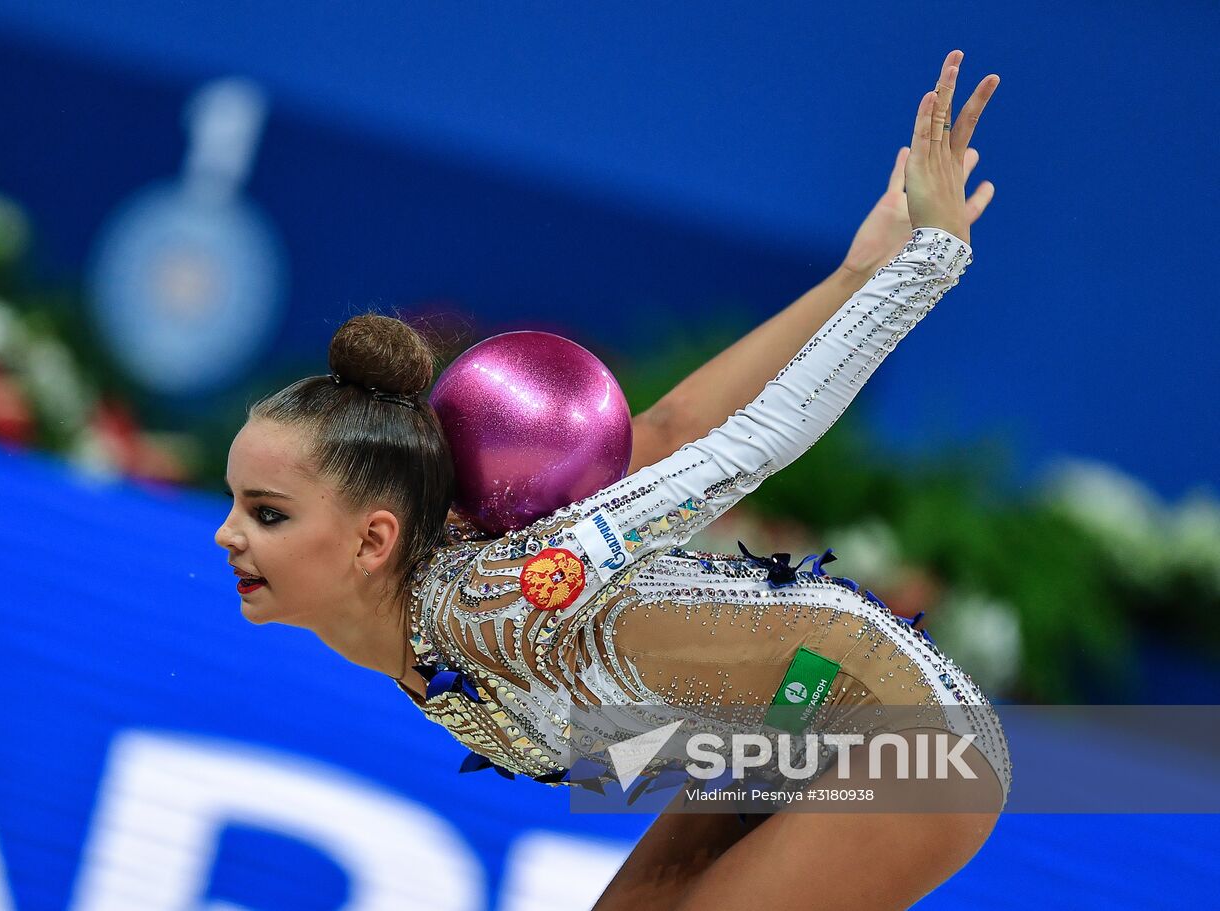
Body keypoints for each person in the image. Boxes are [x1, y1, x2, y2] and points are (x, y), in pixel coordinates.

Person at [217, 49, 1004, 911]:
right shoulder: (447, 554)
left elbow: (746, 446)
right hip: (782, 724)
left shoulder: (506, 597)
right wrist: (853, 272)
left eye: (266, 512)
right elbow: (668, 429)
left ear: (374, 538)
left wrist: (926, 262)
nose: (228, 533)